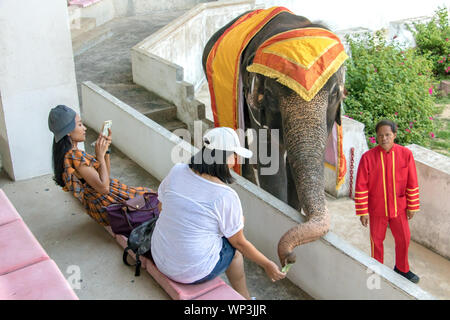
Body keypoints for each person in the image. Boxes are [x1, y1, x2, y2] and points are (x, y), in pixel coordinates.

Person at [150, 127, 286, 299]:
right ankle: (244, 298)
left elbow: (161, 208)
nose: (235, 159)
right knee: (234, 250)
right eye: (233, 155)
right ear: (222, 158)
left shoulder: (177, 170)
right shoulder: (225, 195)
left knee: (227, 231)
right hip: (190, 272)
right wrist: (267, 264)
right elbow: (240, 243)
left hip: (160, 256)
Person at [48, 105, 153, 226]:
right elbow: (104, 188)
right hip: (107, 206)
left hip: (99, 205)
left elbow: (105, 178)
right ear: (68, 132)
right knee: (153, 197)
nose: (85, 128)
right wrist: (99, 155)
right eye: (80, 124)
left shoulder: (69, 154)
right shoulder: (75, 156)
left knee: (150, 195)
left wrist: (105, 151)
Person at [354, 119, 420, 283]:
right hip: (377, 209)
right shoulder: (367, 158)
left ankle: (402, 268)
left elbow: (412, 182)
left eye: (388, 135)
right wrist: (363, 212)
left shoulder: (406, 155)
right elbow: (361, 186)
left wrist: (412, 206)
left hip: (400, 207)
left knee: (404, 239)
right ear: (376, 137)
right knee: (376, 241)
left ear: (394, 135)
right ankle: (378, 271)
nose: (384, 138)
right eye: (380, 135)